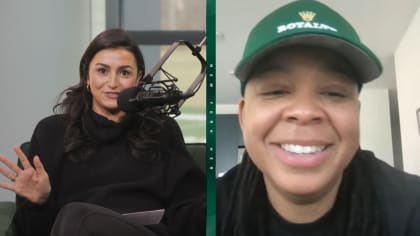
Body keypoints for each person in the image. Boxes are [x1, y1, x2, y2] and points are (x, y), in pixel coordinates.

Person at [216, 1, 420, 236]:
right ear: (243, 115)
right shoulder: (206, 212)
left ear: (356, 113)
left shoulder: (411, 205)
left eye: (334, 93)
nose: (304, 111)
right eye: (276, 91)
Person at [0, 28, 205, 236]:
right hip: (73, 228)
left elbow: (189, 208)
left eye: (124, 72)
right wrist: (39, 204)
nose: (113, 83)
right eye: (102, 71)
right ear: (87, 75)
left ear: (138, 78)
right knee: (75, 217)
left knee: (77, 217)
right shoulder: (51, 133)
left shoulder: (162, 130)